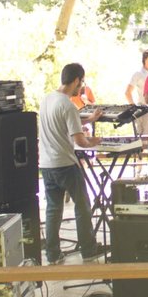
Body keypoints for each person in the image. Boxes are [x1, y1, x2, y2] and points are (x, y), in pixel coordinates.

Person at [39, 63, 103, 265]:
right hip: (65, 164)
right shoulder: (68, 105)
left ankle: (53, 255)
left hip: (47, 164)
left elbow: (65, 123)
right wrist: (95, 142)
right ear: (76, 80)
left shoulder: (47, 99)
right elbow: (80, 141)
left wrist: (89, 119)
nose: (81, 87)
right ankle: (89, 251)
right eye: (81, 82)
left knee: (53, 209)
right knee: (83, 206)